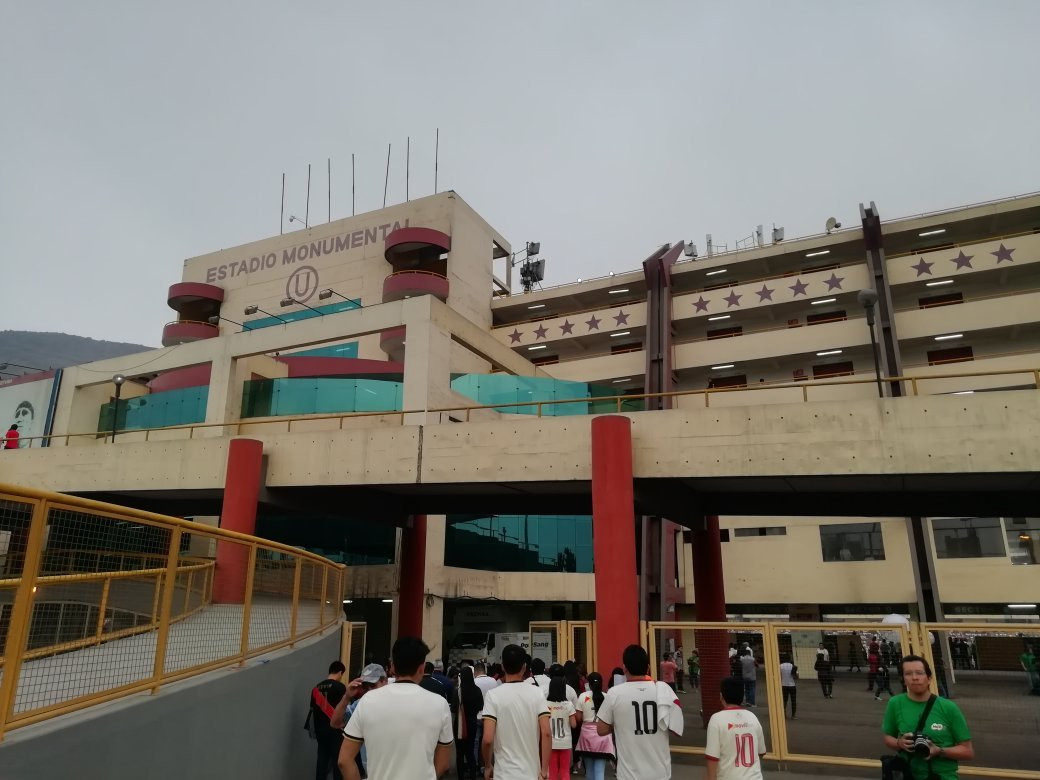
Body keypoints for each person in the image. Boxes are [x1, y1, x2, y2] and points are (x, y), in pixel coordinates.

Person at [340, 636, 453, 780]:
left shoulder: (368, 700)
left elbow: (344, 760)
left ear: (393, 667)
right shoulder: (439, 704)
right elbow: (443, 764)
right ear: (421, 668)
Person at [597, 644, 683, 780]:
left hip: (629, 775)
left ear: (624, 668)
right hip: (661, 773)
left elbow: (601, 729)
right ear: (648, 667)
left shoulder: (615, 693)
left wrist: (620, 723)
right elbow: (676, 726)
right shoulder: (664, 690)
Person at [882, 655, 974, 780]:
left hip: (942, 776)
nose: (914, 678)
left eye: (919, 673)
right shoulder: (895, 703)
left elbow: (967, 751)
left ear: (929, 678)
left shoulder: (948, 707)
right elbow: (888, 737)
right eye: (908, 673)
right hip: (908, 774)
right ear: (903, 679)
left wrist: (939, 751)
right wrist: (899, 743)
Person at [481, 643, 551, 780]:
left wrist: (488, 766)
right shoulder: (537, 693)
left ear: (502, 666)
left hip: (503, 774)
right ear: (524, 667)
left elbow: (488, 739)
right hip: (531, 773)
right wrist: (544, 771)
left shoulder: (493, 695)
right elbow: (547, 733)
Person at [704, 677, 766, 780]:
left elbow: (712, 759)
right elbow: (761, 752)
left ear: (721, 696)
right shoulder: (752, 717)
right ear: (742, 696)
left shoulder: (716, 719)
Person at [309, 660, 349, 780]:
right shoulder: (340, 687)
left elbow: (313, 711)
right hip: (336, 730)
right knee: (338, 762)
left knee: (322, 761)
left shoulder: (315, 689)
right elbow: (346, 710)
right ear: (340, 672)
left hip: (320, 731)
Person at [575, 672, 614, 780]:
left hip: (586, 736)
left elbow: (578, 718)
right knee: (600, 770)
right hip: (603, 735)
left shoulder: (583, 696)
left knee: (589, 770)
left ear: (589, 683)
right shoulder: (607, 697)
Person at [545, 677, 577, 780]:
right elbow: (573, 725)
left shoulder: (546, 704)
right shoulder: (569, 705)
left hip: (551, 742)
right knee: (564, 771)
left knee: (552, 771)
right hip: (565, 742)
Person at [457, 665, 484, 780]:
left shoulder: (458, 691)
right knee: (470, 749)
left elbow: (454, 707)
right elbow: (481, 705)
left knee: (460, 752)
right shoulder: (476, 689)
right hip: (472, 721)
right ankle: (473, 774)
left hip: (459, 724)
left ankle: (461, 775)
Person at [472, 661, 499, 773]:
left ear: (475, 671)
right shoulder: (493, 681)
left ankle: (475, 765)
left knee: (476, 742)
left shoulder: (474, 681)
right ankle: (489, 764)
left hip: (477, 715)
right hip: (490, 716)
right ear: (484, 670)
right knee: (490, 741)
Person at [779, 653, 798, 719]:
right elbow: (796, 676)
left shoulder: (780, 666)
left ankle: (783, 714)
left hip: (783, 685)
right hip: (792, 685)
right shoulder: (793, 666)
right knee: (793, 700)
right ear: (790, 659)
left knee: (784, 700)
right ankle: (793, 715)